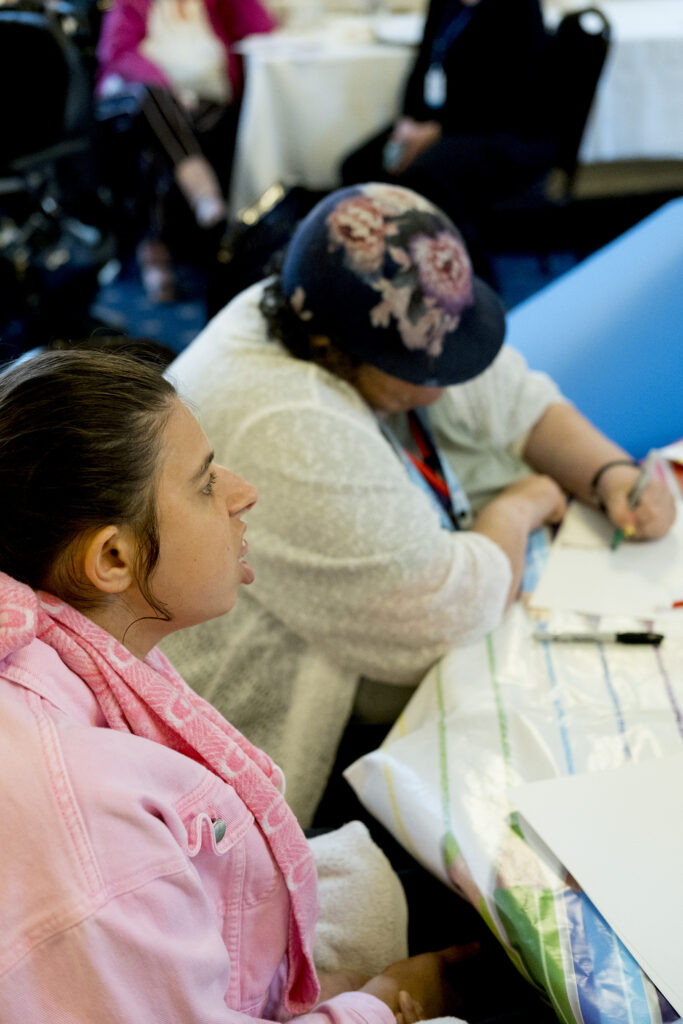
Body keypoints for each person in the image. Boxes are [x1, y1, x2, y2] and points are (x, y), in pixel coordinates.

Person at [159, 183, 676, 829]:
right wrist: (521, 504)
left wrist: (608, 473)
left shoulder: (322, 306)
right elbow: (441, 615)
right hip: (274, 686)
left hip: (368, 605)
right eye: (421, 375)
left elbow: (507, 390)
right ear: (339, 353)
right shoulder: (286, 419)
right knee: (548, 705)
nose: (440, 390)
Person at [0, 344, 488, 1022]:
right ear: (113, 558)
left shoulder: (63, 651)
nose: (241, 492)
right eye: (204, 485)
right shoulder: (83, 819)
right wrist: (383, 1006)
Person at [340, 0, 556, 273]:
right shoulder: (444, 3)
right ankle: (377, 272)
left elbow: (512, 99)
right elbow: (422, 67)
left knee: (424, 177)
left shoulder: (519, 8)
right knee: (357, 166)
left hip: (506, 133)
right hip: (440, 123)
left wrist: (436, 130)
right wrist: (407, 124)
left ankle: (466, 278)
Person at [96, 0, 275, 301]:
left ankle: (156, 254)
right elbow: (118, 52)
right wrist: (168, 89)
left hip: (201, 102)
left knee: (162, 139)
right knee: (155, 106)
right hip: (135, 97)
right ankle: (203, 193)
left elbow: (261, 30)